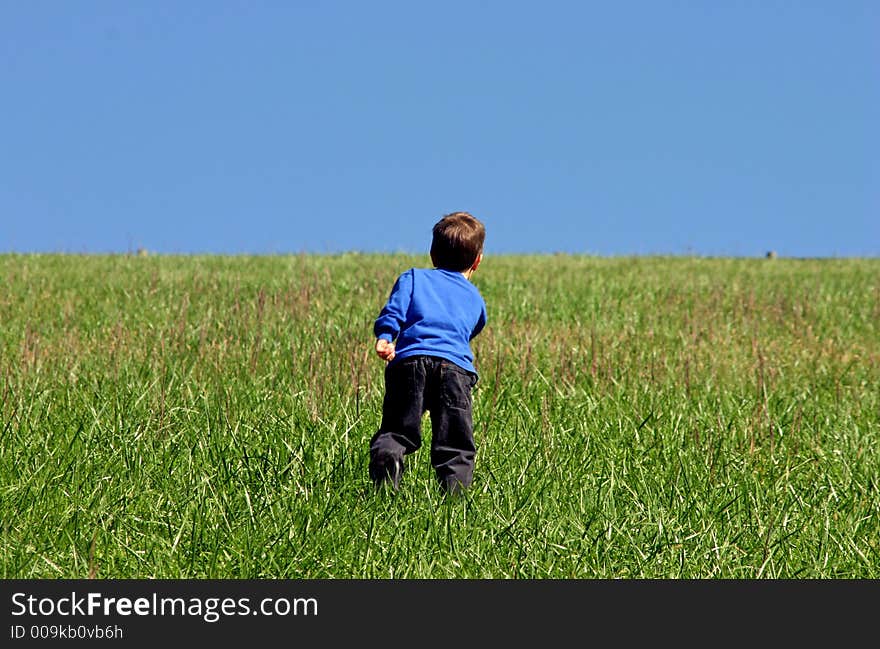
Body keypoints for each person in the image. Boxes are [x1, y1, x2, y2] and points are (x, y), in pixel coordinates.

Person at [369, 211, 487, 495]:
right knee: (455, 442)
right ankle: (453, 503)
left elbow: (394, 311)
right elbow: (473, 327)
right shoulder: (475, 298)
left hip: (409, 363)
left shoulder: (412, 278)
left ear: (432, 254)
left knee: (397, 429)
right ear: (477, 261)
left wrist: (386, 336)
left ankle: (388, 469)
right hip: (456, 371)